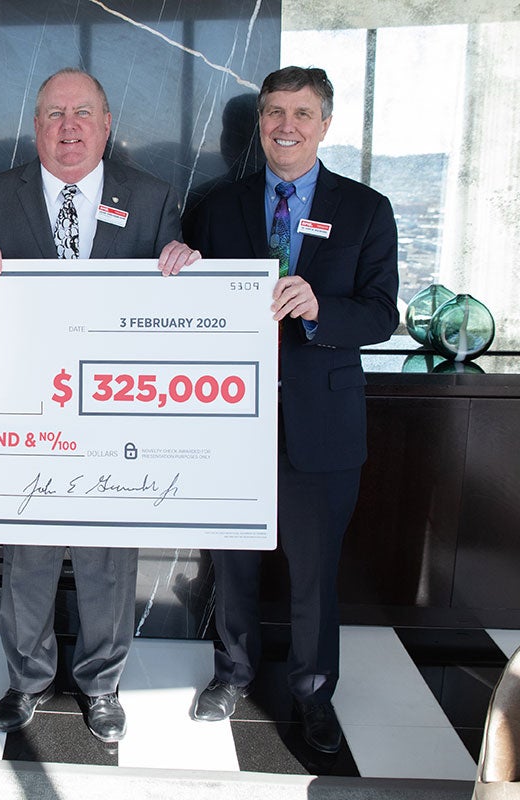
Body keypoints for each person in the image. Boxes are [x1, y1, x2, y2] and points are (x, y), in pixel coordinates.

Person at [0, 67, 198, 742]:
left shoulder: (151, 199)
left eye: (82, 113)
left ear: (106, 123)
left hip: (112, 415)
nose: (69, 126)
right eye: (54, 114)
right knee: (28, 557)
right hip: (24, 413)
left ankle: (101, 685)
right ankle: (27, 680)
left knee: (106, 559)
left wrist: (183, 261)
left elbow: (176, 306)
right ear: (35, 126)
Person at [182, 66, 399, 754]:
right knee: (233, 564)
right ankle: (233, 674)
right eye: (275, 111)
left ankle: (311, 695)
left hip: (320, 424)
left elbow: (381, 314)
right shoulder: (220, 206)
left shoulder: (365, 208)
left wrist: (318, 310)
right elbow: (191, 300)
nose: (286, 125)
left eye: (302, 113)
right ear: (260, 122)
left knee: (313, 574)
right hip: (232, 419)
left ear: (325, 123)